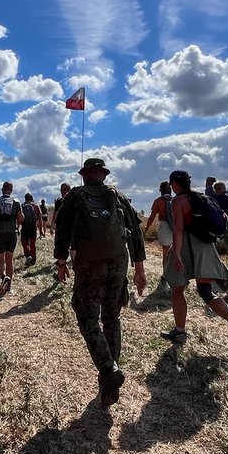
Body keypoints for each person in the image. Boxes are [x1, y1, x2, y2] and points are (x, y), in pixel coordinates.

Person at [54, 158, 147, 405]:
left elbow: (62, 230)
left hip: (88, 265)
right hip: (118, 263)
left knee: (86, 317)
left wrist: (61, 262)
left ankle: (108, 370)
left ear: (85, 175)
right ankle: (109, 386)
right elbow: (136, 233)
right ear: (103, 175)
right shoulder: (119, 197)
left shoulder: (74, 196)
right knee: (112, 318)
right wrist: (140, 268)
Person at [162, 170, 228, 354]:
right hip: (205, 246)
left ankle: (180, 332)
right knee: (205, 291)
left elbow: (179, 228)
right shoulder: (201, 198)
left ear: (175, 184)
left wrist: (177, 254)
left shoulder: (178, 200)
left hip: (187, 245)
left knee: (177, 288)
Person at [0, 181, 23, 295]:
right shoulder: (16, 202)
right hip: (11, 233)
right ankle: (9, 285)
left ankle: (3, 277)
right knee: (9, 259)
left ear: (2, 189)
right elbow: (21, 218)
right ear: (11, 190)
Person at [144, 181, 174, 287]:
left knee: (166, 253)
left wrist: (147, 227)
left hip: (164, 226)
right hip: (176, 227)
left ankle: (165, 274)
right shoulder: (175, 200)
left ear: (160, 190)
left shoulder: (158, 201)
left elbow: (152, 216)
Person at [20, 193, 44, 265]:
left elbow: (19, 217)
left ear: (25, 198)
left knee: (24, 242)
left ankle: (28, 255)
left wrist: (17, 227)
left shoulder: (22, 206)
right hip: (33, 227)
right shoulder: (36, 206)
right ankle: (33, 260)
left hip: (24, 227)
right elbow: (40, 219)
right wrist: (41, 230)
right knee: (32, 244)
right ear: (32, 198)